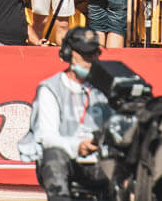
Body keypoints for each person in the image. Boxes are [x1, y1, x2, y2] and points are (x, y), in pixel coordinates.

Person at [18, 28, 112, 199]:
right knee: (53, 155)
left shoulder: (105, 88)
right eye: (84, 54)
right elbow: (47, 137)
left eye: (93, 54)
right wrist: (77, 146)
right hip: (67, 159)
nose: (89, 60)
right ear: (69, 53)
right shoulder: (50, 89)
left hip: (99, 161)